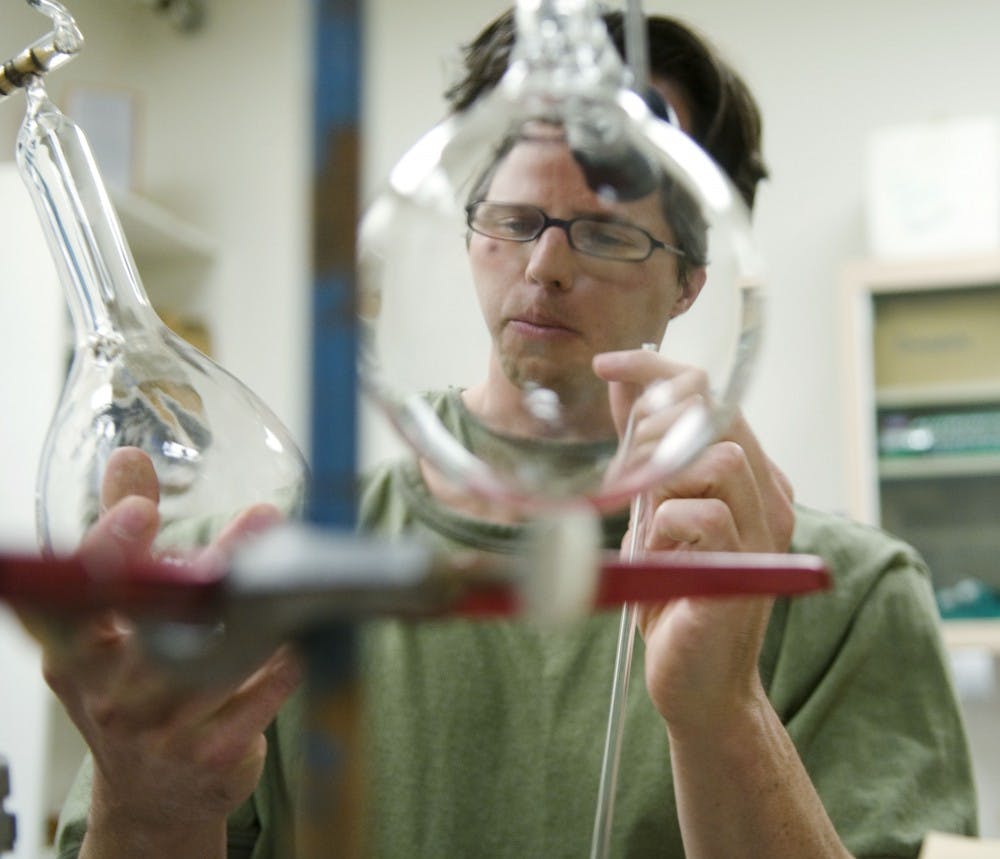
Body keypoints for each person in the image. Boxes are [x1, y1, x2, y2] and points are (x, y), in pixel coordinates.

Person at [48, 9, 976, 859]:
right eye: (516, 219)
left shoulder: (845, 596)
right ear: (464, 230)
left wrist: (724, 714)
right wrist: (152, 806)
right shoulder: (270, 563)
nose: (546, 264)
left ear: (693, 278)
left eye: (607, 232)